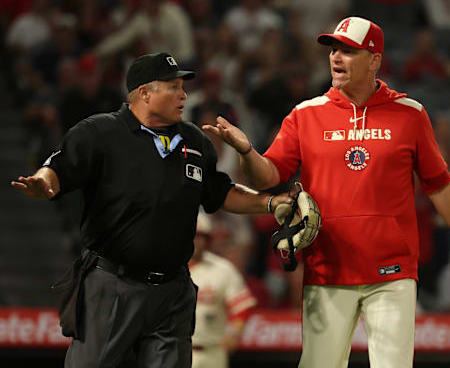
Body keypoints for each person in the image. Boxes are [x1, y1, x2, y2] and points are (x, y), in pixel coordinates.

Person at [203, 16, 450, 368]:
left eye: (348, 51)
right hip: (328, 269)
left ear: (375, 60)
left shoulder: (410, 114)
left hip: (391, 270)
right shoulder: (305, 115)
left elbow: (440, 186)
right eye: (333, 50)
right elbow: (268, 176)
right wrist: (248, 152)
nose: (336, 58)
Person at [11, 52, 290, 368]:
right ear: (144, 93)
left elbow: (221, 193)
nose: (184, 95)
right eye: (173, 86)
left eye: (183, 87)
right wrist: (43, 182)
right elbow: (58, 167)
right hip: (113, 284)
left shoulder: (194, 140)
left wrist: (269, 202)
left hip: (173, 291)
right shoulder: (100, 132)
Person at [190, 212, 256, 368]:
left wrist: (234, 333)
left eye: (200, 237)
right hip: (178, 350)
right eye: (192, 236)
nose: (195, 241)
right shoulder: (171, 269)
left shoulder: (222, 269)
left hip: (212, 351)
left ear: (208, 240)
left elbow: (243, 306)